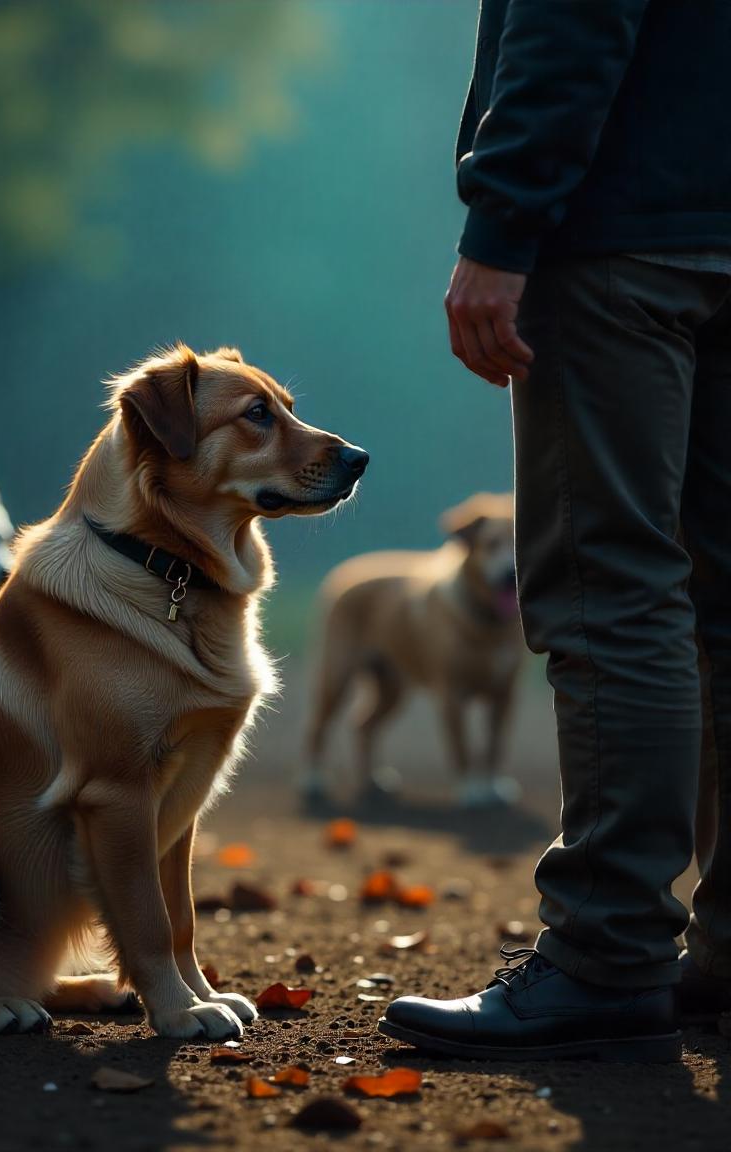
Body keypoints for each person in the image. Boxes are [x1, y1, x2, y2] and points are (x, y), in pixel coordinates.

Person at [378, 0, 731, 1062]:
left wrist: (502, 225)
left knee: (605, 586)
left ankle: (605, 955)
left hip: (619, 239)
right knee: (722, 603)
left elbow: (571, 21)